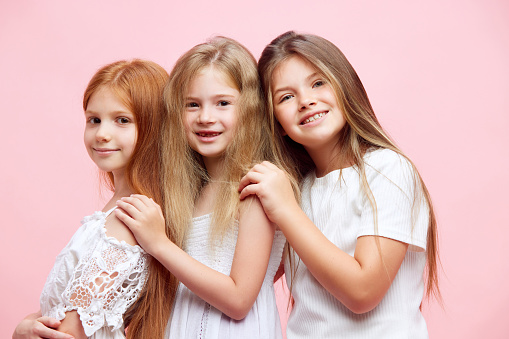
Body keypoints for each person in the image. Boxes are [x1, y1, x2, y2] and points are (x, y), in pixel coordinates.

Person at [238, 31, 441, 338]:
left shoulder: (387, 169)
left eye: (318, 83)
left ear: (345, 86)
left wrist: (285, 210)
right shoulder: (294, 189)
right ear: (276, 122)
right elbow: (249, 282)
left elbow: (363, 291)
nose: (306, 101)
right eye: (286, 97)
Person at [114, 37, 295, 339]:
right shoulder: (189, 191)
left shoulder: (257, 187)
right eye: (192, 105)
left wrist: (159, 244)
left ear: (250, 109)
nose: (205, 117)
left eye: (223, 103)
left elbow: (239, 300)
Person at [13, 60, 176, 339]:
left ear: (155, 127)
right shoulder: (121, 206)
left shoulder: (130, 216)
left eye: (122, 120)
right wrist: (28, 325)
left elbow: (69, 329)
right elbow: (63, 312)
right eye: (94, 120)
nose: (102, 133)